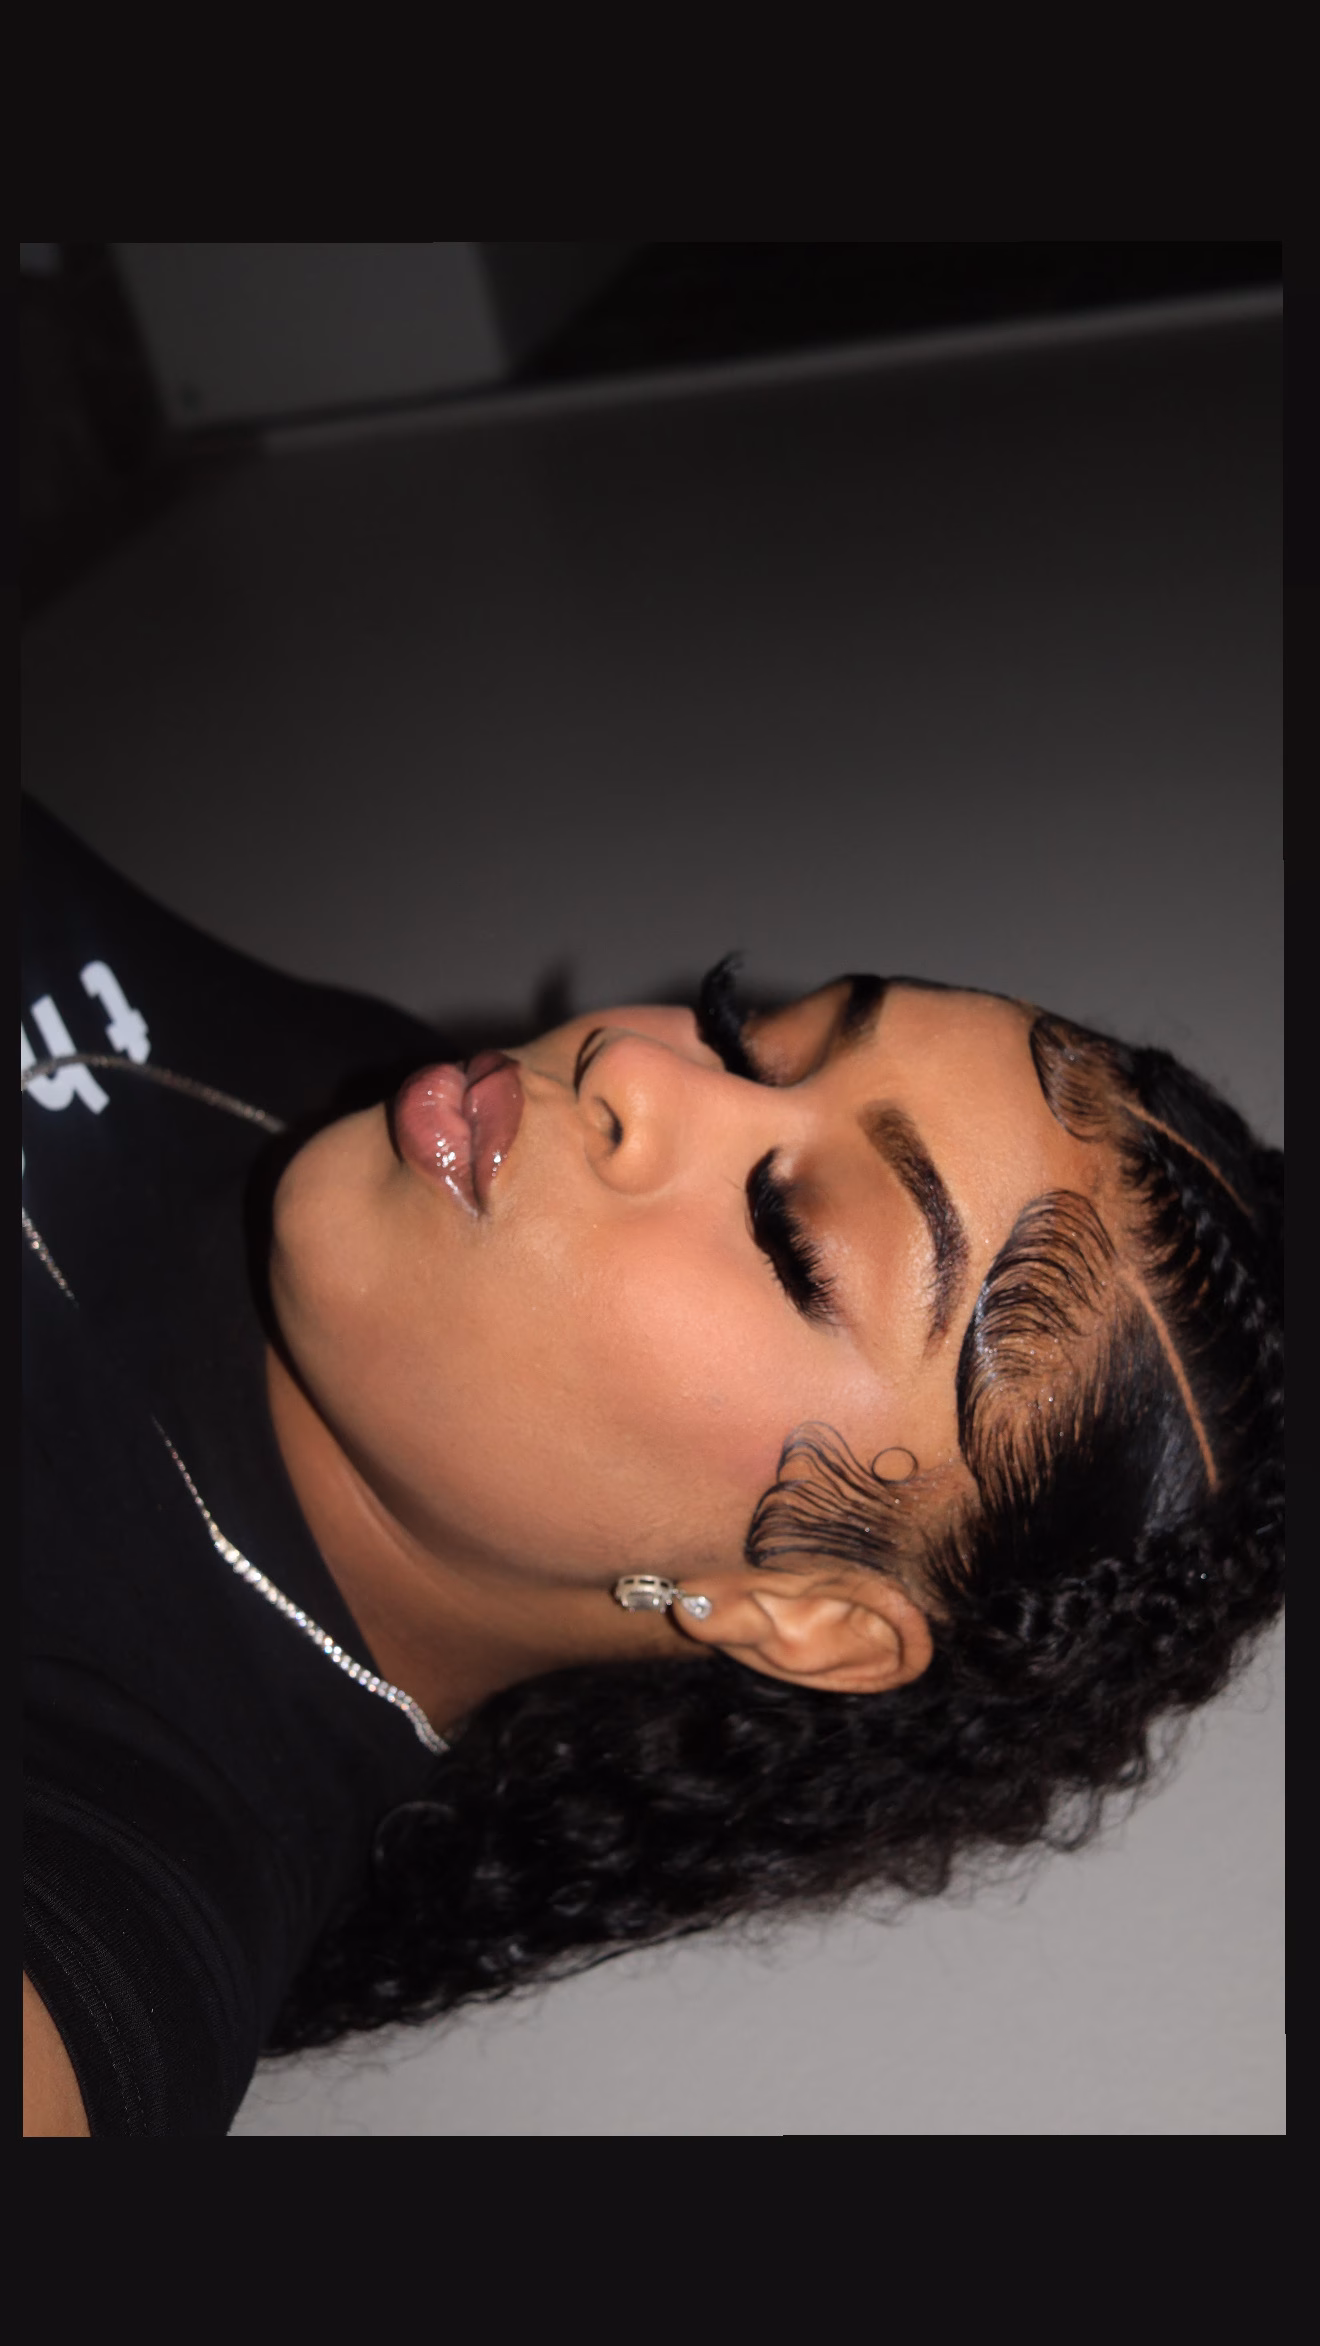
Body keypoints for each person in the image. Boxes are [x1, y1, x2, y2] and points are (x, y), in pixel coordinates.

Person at [22, 795, 1284, 2136]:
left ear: (802, 1611)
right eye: (751, 1039)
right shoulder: (397, 1106)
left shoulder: (128, 1871)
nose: (636, 1064)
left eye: (792, 1235)